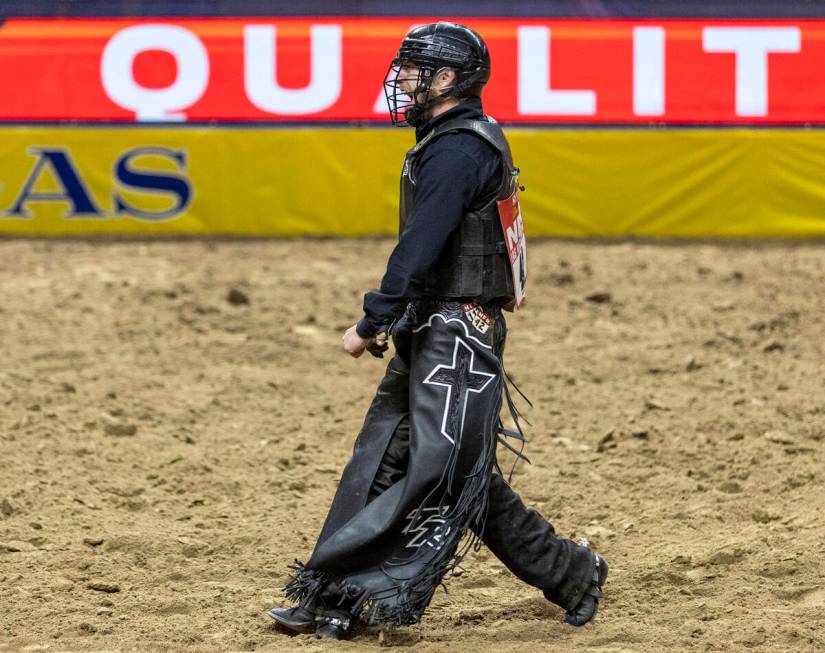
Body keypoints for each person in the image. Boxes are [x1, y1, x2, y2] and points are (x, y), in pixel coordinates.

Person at [268, 22, 608, 640]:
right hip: (436, 324)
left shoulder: (459, 148)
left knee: (442, 468)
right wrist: (398, 317)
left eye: (413, 70)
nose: (400, 80)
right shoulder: (454, 140)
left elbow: (421, 245)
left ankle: (569, 572)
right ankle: (333, 595)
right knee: (391, 458)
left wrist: (375, 315)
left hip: (459, 331)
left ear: (447, 79)